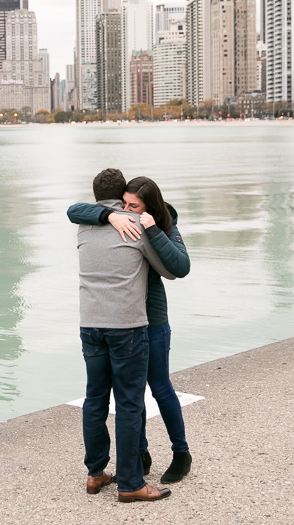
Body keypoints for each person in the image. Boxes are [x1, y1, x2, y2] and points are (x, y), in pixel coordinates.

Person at [67, 175, 192, 484]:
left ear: (149, 208)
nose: (125, 209)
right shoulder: (118, 219)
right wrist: (110, 213)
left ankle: (181, 452)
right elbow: (74, 210)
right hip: (126, 320)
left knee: (159, 386)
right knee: (130, 393)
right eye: (122, 203)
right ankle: (141, 452)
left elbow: (179, 267)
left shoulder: (159, 225)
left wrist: (151, 228)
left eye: (132, 206)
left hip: (151, 318)